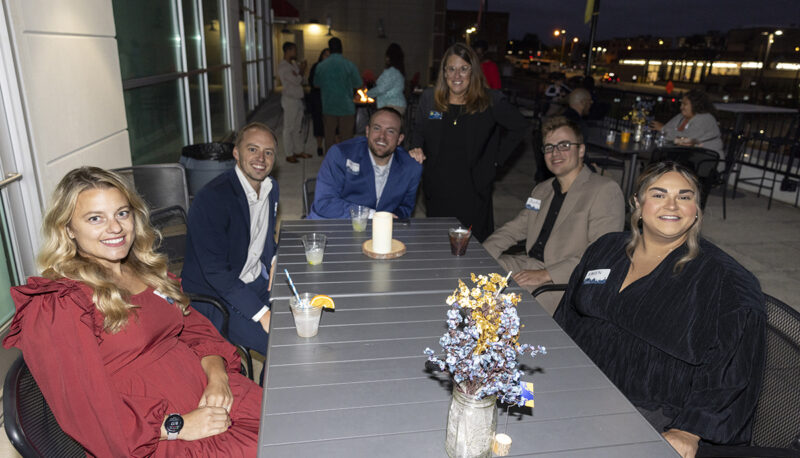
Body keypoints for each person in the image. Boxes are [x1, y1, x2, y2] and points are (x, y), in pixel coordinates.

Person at [3, 167, 262, 456]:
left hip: (211, 396)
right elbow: (86, 410)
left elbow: (195, 329)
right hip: (152, 436)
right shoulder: (59, 302)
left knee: (297, 423)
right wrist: (176, 426)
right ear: (68, 229)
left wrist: (218, 378)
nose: (115, 228)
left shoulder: (145, 272)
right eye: (95, 218)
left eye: (122, 213)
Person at [554, 162, 766, 458]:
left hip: (652, 408)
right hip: (578, 382)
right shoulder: (606, 248)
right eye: (658, 194)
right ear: (637, 204)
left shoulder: (726, 282)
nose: (672, 205)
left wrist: (689, 430)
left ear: (697, 209)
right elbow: (567, 317)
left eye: (684, 196)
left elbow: (733, 373)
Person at [483, 116, 625, 314]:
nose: (555, 153)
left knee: (498, 306)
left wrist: (547, 274)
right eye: (549, 147)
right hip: (528, 264)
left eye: (564, 145)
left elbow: (601, 253)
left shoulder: (604, 190)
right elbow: (514, 228)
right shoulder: (542, 190)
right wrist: (480, 255)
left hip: (563, 282)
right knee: (476, 278)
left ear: (581, 150)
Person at [408, 43, 527, 242]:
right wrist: (416, 147)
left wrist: (496, 161)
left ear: (473, 72)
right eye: (451, 69)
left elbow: (520, 127)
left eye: (464, 69)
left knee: (473, 249)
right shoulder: (430, 100)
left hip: (473, 190)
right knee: (438, 243)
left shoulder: (490, 101)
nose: (457, 76)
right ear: (444, 73)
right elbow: (418, 129)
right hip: (437, 189)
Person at [182, 122, 278, 358]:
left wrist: (274, 258)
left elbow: (264, 237)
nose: (261, 159)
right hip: (217, 296)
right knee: (281, 345)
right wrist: (261, 313)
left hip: (255, 281)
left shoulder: (270, 187)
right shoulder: (212, 199)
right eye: (252, 149)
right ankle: (263, 394)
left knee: (306, 320)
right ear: (236, 152)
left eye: (268, 152)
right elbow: (216, 273)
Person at [309, 107, 422, 219]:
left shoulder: (411, 167)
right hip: (334, 225)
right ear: (367, 131)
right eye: (377, 128)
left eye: (390, 131)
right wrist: (372, 215)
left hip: (379, 232)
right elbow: (324, 203)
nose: (382, 136)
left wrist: (387, 224)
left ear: (399, 139)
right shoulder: (341, 154)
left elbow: (404, 210)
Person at [313, 37, 363, 154]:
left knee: (329, 138)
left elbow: (316, 84)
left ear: (329, 49)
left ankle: (330, 165)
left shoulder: (321, 66)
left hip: (328, 106)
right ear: (341, 48)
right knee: (347, 139)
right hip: (346, 107)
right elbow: (358, 84)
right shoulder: (349, 65)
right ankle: (346, 164)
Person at [650, 90, 724, 157]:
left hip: (706, 160)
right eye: (681, 103)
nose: (681, 107)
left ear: (696, 105)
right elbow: (666, 134)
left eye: (685, 104)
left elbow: (688, 138)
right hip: (687, 156)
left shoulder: (705, 118)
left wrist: (663, 129)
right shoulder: (681, 117)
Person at [277, 41, 312, 163]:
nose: (295, 53)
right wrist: (302, 70)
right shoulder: (283, 67)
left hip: (297, 99)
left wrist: (300, 71)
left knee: (298, 127)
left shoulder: (292, 65)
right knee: (289, 127)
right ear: (288, 51)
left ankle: (298, 151)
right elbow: (297, 80)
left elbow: (301, 79)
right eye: (294, 50)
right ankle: (289, 153)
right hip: (289, 100)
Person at [368, 43, 407, 114]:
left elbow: (381, 89)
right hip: (396, 106)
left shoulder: (391, 71)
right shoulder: (398, 71)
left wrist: (367, 94)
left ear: (388, 57)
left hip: (391, 106)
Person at [308, 48, 330, 156]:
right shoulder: (317, 66)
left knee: (330, 124)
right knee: (318, 124)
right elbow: (312, 82)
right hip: (317, 99)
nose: (327, 57)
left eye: (329, 55)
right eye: (325, 55)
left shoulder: (332, 68)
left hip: (329, 100)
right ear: (321, 56)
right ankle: (319, 146)